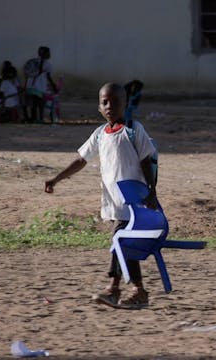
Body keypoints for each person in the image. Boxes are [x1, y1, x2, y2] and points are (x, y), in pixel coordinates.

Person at [44, 83, 158, 309]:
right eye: (105, 102)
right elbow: (81, 160)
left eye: (115, 102)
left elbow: (147, 160)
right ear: (99, 106)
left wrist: (151, 192)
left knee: (121, 239)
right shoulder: (99, 134)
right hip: (116, 204)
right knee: (122, 242)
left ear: (125, 104)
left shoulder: (134, 130)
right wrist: (56, 179)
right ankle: (124, 290)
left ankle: (129, 289)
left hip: (135, 202)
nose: (110, 106)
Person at [24, 46, 57, 123]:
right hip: (39, 87)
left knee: (33, 104)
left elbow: (27, 73)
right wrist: (54, 86)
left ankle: (33, 118)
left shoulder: (33, 61)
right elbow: (49, 77)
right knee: (40, 104)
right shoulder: (47, 64)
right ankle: (40, 119)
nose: (50, 54)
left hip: (30, 86)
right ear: (45, 54)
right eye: (48, 52)